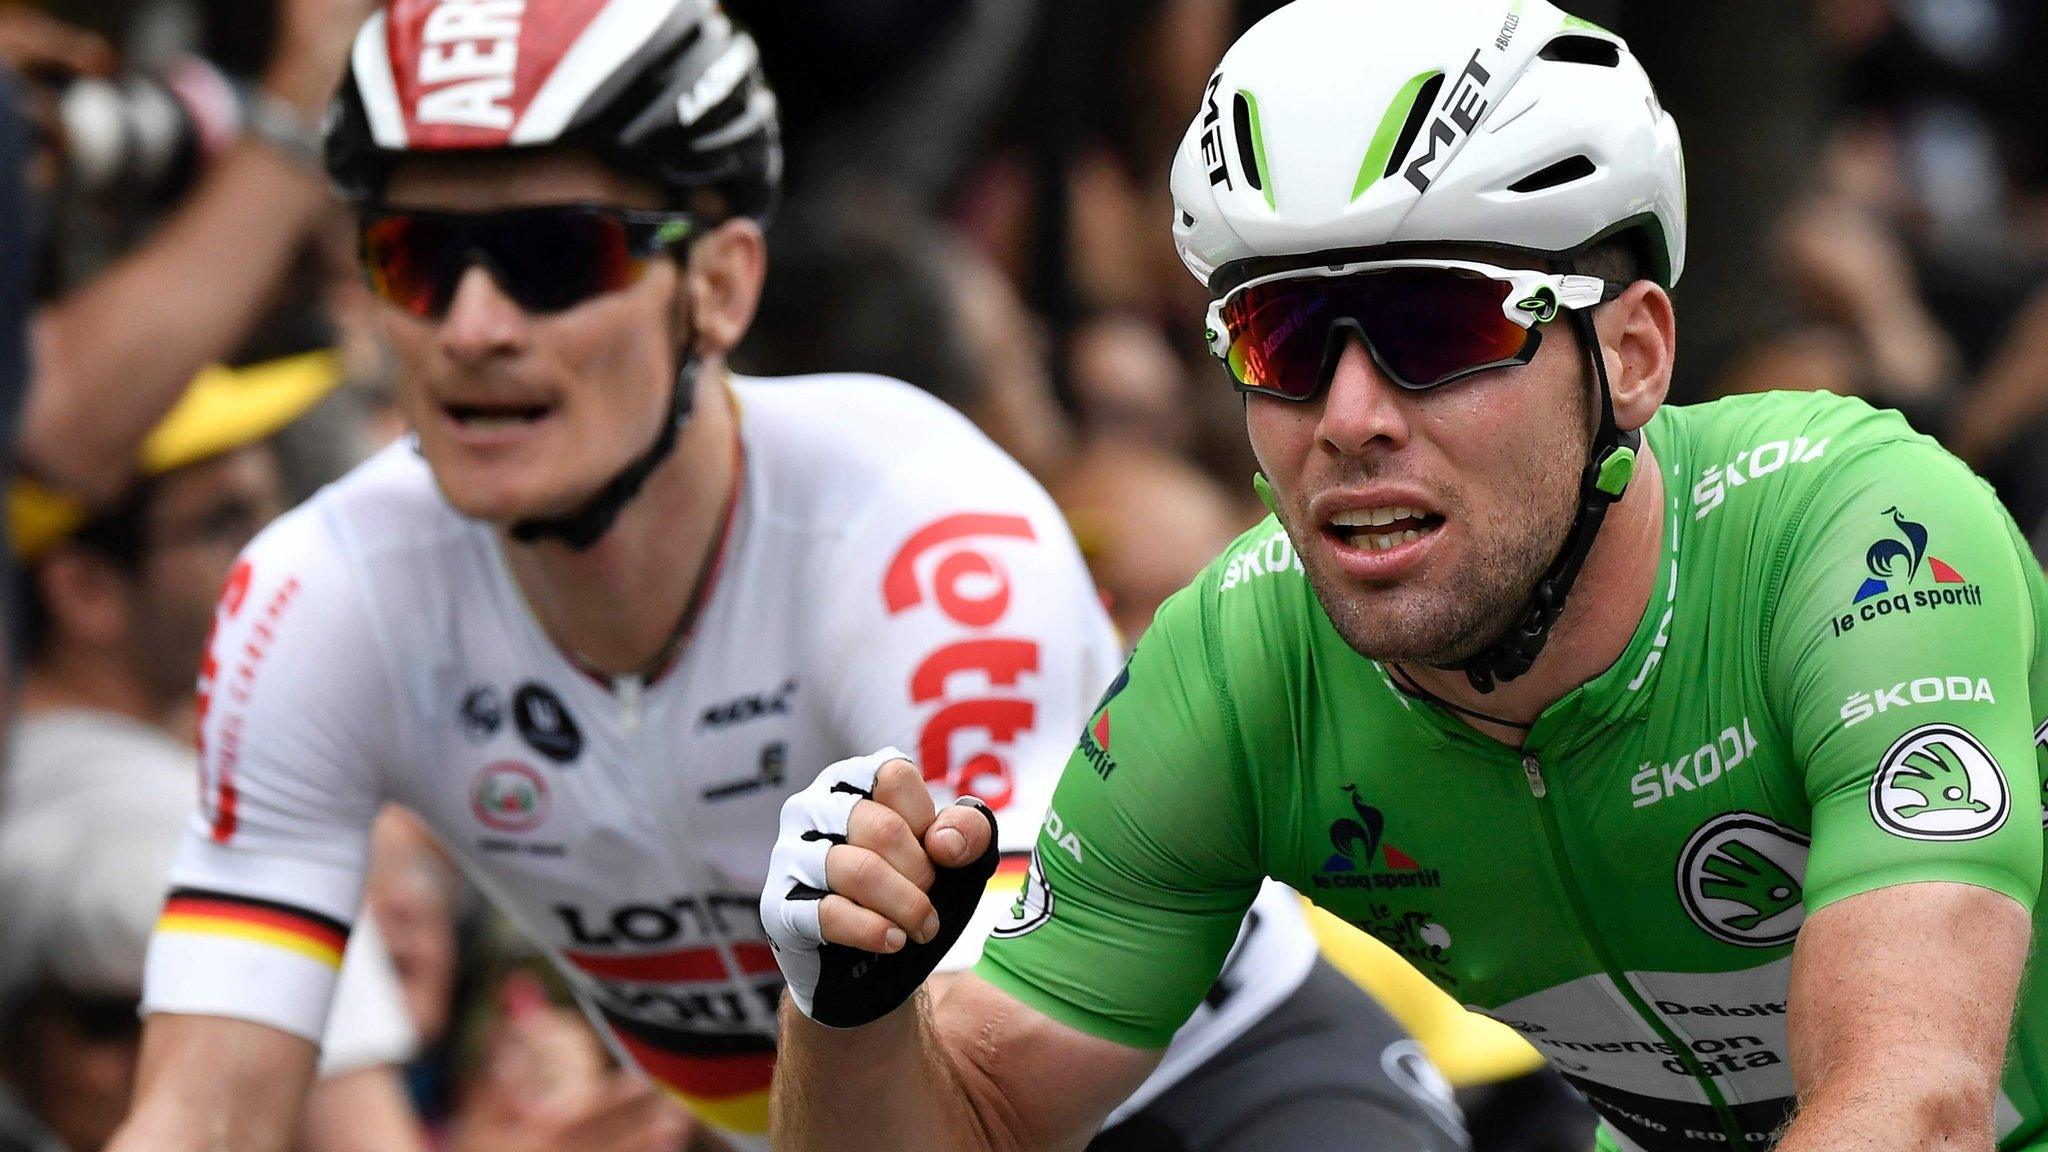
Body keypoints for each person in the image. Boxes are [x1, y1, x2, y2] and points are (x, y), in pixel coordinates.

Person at [107, 5, 1465, 1152]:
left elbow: (982, 1088)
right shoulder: (319, 592)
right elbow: (201, 1103)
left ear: (721, 285)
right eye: (417, 257)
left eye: (549, 256)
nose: (474, 328)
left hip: (1194, 1087)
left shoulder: (917, 533)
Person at [759, 2, 2048, 1151]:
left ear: (1635, 355)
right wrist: (853, 1016)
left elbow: (1918, 1108)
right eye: (1285, 337)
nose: (1352, 415)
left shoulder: (1857, 539)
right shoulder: (1238, 669)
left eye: (1438, 326)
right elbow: (979, 1120)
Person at [0, 354, 423, 1152]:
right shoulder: (177, 827)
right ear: (85, 587)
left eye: (278, 509)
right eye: (227, 523)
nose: (280, 556)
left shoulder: (52, 783)